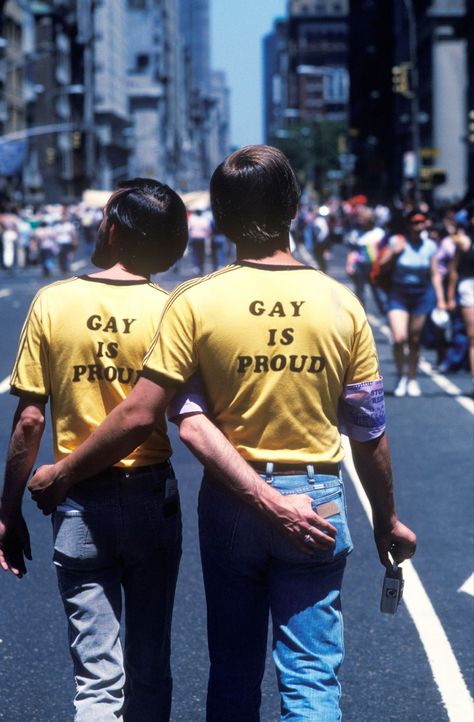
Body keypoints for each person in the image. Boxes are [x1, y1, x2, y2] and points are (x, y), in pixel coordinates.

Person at [28, 146, 416, 722]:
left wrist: (61, 472)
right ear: (294, 207)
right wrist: (386, 518)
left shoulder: (195, 302)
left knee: (233, 672)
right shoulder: (342, 304)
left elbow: (164, 417)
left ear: (220, 216)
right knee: (311, 676)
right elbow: (368, 430)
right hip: (319, 503)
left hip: (233, 501)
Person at [0, 179, 189, 722]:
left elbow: (30, 419)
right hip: (152, 495)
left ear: (113, 228)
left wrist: (8, 508)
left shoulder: (53, 301)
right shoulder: (171, 309)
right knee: (149, 666)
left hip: (79, 500)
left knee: (96, 681)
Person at [379, 210, 445, 397]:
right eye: (414, 223)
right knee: (400, 337)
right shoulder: (397, 242)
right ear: (408, 225)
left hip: (421, 295)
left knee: (415, 340)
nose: (418, 226)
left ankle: (412, 377)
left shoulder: (430, 246)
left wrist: (441, 299)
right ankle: (401, 377)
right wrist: (394, 252)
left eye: (421, 223)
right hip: (398, 294)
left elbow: (435, 274)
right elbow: (381, 266)